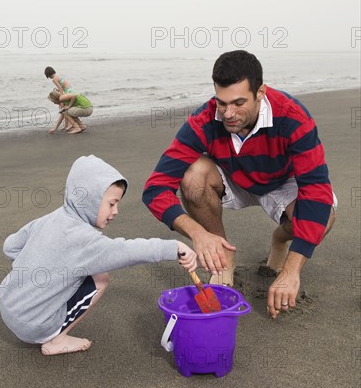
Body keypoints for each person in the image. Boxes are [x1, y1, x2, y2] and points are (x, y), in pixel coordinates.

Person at [142, 50, 337, 320]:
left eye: (238, 102)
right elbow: (155, 189)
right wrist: (198, 233)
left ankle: (280, 238)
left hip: (282, 181)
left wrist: (292, 271)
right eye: (221, 103)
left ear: (260, 92)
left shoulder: (293, 117)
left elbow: (316, 192)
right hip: (231, 178)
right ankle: (224, 258)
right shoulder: (205, 120)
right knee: (193, 175)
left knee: (324, 215)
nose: (228, 114)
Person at [0, 155, 197, 356]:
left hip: (5, 303)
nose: (116, 211)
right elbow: (126, 251)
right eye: (112, 204)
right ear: (90, 200)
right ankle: (56, 341)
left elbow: (10, 247)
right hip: (32, 326)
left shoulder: (50, 218)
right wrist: (174, 246)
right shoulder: (85, 241)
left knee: (74, 273)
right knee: (101, 278)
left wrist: (39, 266)